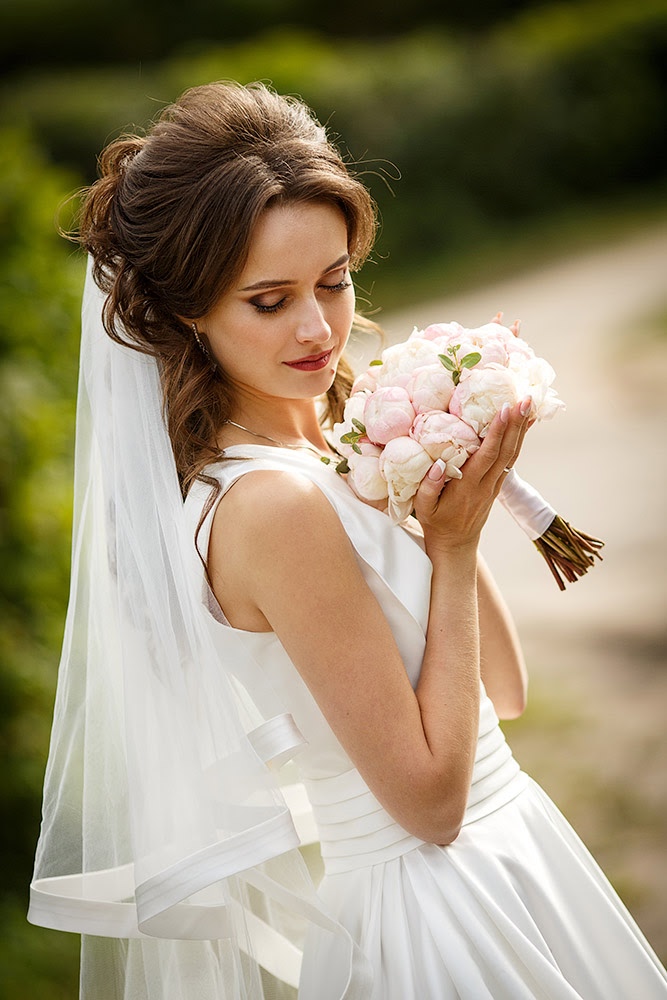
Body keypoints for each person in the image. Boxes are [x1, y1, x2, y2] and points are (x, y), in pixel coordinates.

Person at [29, 81, 667, 1000]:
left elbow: (503, 693)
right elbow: (430, 804)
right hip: (435, 907)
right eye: (268, 299)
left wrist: (429, 481)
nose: (317, 327)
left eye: (334, 281)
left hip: (511, 854)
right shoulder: (265, 508)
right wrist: (448, 552)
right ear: (185, 314)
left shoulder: (325, 446)